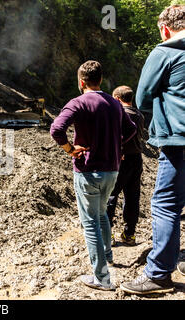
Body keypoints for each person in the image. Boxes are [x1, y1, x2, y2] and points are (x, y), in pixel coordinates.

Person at [50, 61, 137, 291]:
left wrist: (70, 149)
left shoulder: (77, 103)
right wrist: (116, 146)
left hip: (88, 170)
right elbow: (131, 130)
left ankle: (102, 278)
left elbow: (56, 130)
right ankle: (107, 255)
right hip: (112, 170)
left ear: (81, 82)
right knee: (101, 215)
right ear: (100, 79)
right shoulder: (114, 103)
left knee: (90, 222)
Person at [121, 5, 185, 295]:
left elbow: (143, 96)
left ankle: (158, 273)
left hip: (178, 142)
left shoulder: (165, 52)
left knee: (165, 205)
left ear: (165, 29)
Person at [106, 86, 145, 246]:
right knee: (132, 197)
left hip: (120, 159)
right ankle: (129, 234)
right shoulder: (139, 115)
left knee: (110, 195)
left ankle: (107, 234)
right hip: (136, 159)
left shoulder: (118, 114)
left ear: (116, 98)